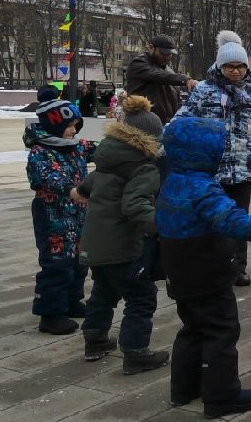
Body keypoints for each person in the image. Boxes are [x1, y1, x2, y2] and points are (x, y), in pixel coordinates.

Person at [155, 116, 251, 418]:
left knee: (192, 327)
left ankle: (183, 388)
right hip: (205, 270)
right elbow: (230, 220)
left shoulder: (170, 181)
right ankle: (221, 395)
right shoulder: (202, 188)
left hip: (178, 270)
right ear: (206, 154)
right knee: (221, 330)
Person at [174, 31, 251, 288]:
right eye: (230, 66)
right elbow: (183, 121)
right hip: (211, 169)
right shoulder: (204, 91)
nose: (236, 71)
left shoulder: (250, 93)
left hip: (242, 168)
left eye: (241, 66)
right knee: (211, 217)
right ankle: (212, 264)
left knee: (239, 218)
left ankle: (237, 267)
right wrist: (163, 145)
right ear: (220, 66)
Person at [74, 95, 169, 374]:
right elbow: (135, 207)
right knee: (141, 296)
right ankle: (136, 352)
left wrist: (78, 192)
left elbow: (88, 186)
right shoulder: (143, 166)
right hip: (123, 246)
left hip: (95, 244)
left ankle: (95, 341)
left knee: (103, 291)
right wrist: (163, 227)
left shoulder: (108, 158)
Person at [25, 98, 96, 335]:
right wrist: (70, 190)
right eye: (69, 125)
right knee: (57, 263)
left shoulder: (77, 145)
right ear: (54, 125)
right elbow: (48, 176)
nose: (74, 131)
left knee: (78, 261)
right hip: (51, 214)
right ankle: (51, 313)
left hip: (77, 214)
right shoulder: (40, 151)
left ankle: (71, 301)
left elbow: (100, 150)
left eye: (76, 125)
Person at [126, 34, 198, 125]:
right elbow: (159, 75)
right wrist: (185, 79)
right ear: (151, 48)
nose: (166, 57)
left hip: (166, 126)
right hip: (142, 126)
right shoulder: (139, 64)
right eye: (163, 53)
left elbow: (177, 100)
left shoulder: (169, 71)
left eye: (169, 54)